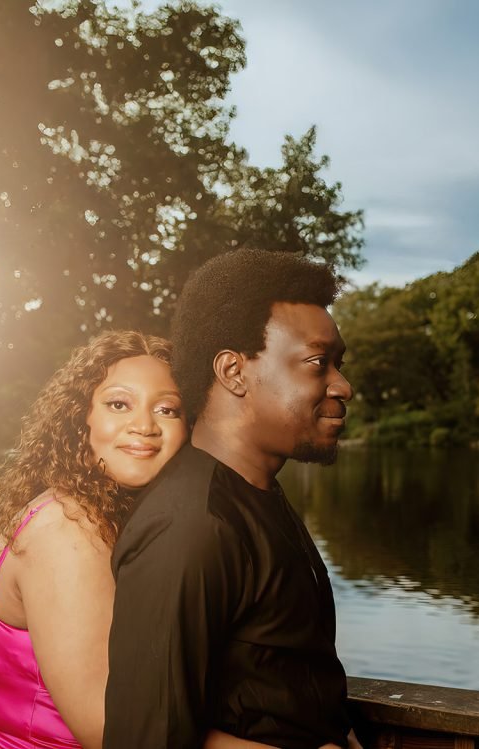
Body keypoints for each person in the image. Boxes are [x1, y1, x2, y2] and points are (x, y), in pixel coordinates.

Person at [0, 331, 269, 749]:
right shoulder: (68, 529)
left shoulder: (110, 516)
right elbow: (111, 729)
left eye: (167, 409)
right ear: (80, 417)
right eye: (118, 404)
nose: (143, 426)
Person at [104, 249, 361, 749]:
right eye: (317, 364)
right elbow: (146, 738)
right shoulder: (191, 527)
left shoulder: (259, 494)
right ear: (233, 371)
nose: (343, 386)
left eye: (339, 364)